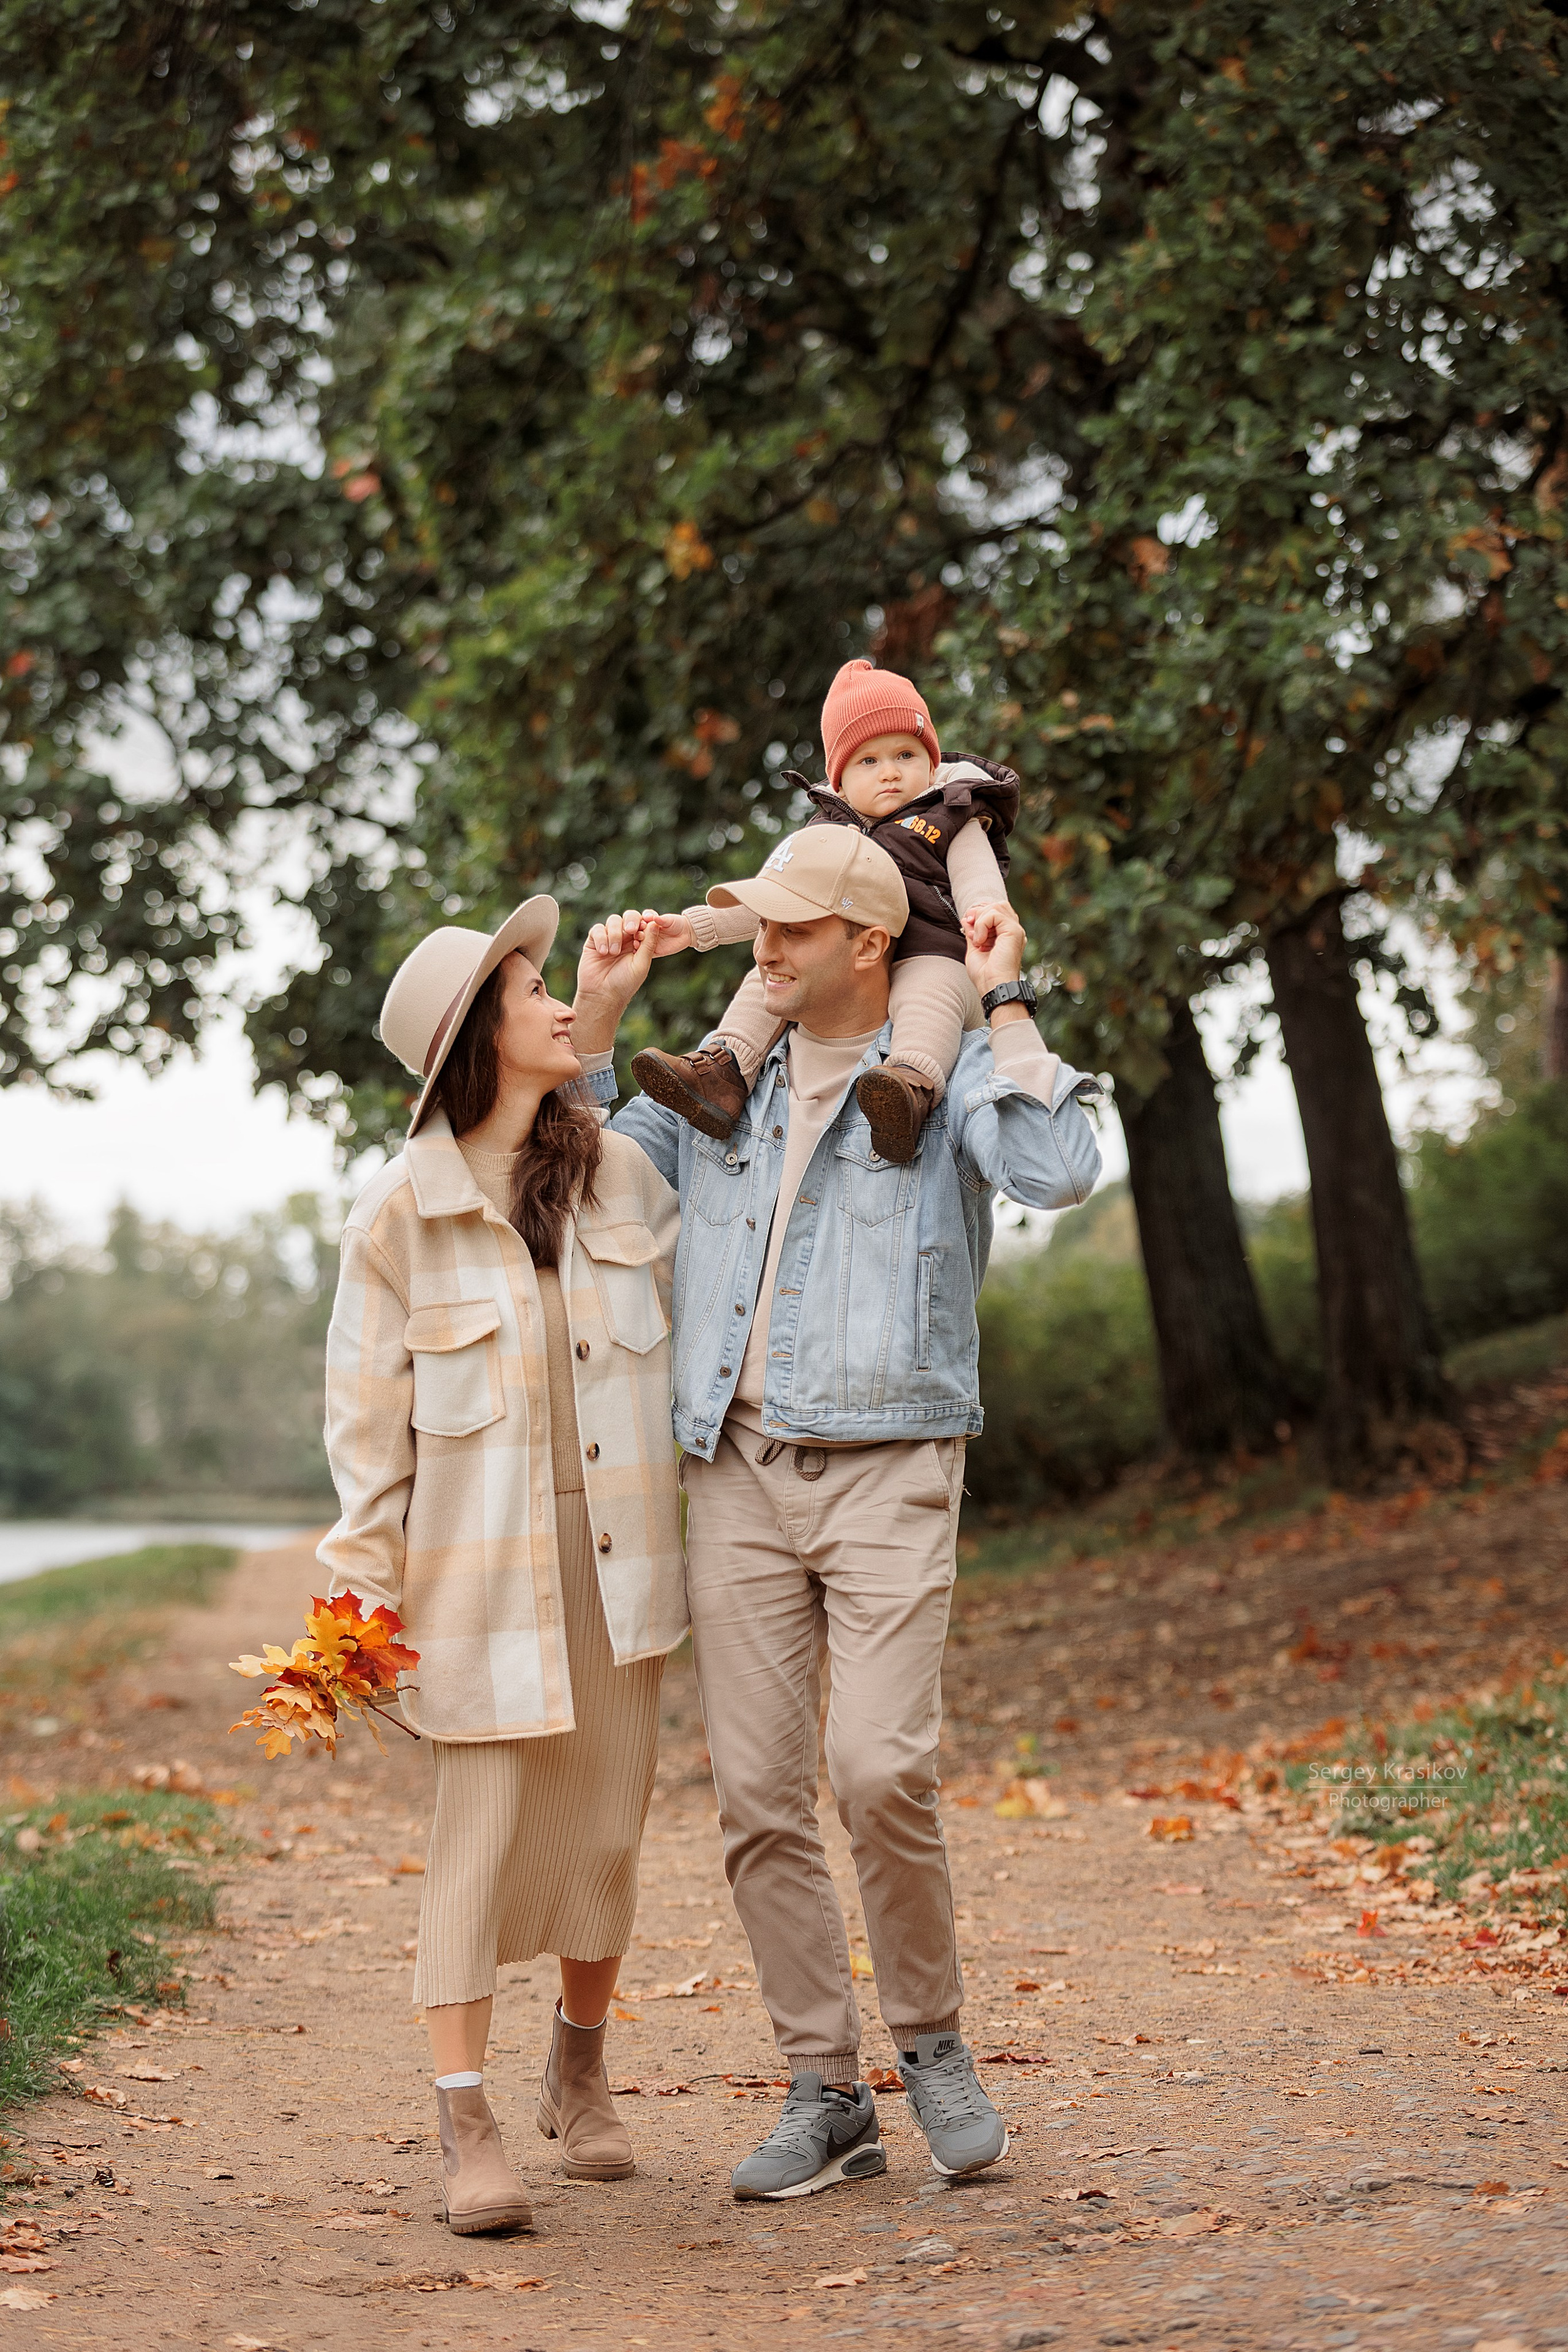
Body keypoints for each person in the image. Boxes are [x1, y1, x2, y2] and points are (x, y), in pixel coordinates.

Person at [568, 834, 1101, 2199]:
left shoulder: (944, 1076)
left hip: (890, 1465)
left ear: (868, 941)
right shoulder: (714, 1087)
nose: (763, 950)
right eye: (759, 927)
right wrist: (602, 1023)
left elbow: (1054, 1173)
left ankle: (931, 2046)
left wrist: (1007, 997)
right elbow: (582, 1184)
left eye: (791, 931)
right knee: (755, 1794)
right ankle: (824, 2090)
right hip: (731, 1473)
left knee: (876, 1769)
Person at [317, 896, 685, 2236]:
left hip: (618, 1569)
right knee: (475, 1848)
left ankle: (578, 2070)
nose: (553, 1008)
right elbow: (368, 1438)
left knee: (602, 1835)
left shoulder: (621, 1180)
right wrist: (354, 1611)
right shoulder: (398, 1217)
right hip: (471, 1583)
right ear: (479, 1039)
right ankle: (464, 2116)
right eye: (529, 992)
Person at [631, 656, 1019, 1164]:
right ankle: (724, 1071)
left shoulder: (950, 812)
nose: (891, 773)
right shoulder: (825, 832)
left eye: (906, 753)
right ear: (838, 781)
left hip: (932, 948)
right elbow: (778, 904)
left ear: (930, 758)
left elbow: (977, 879)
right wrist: (696, 927)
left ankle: (907, 1089)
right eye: (869, 761)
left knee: (931, 993)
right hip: (841, 960)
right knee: (769, 975)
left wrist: (989, 916)